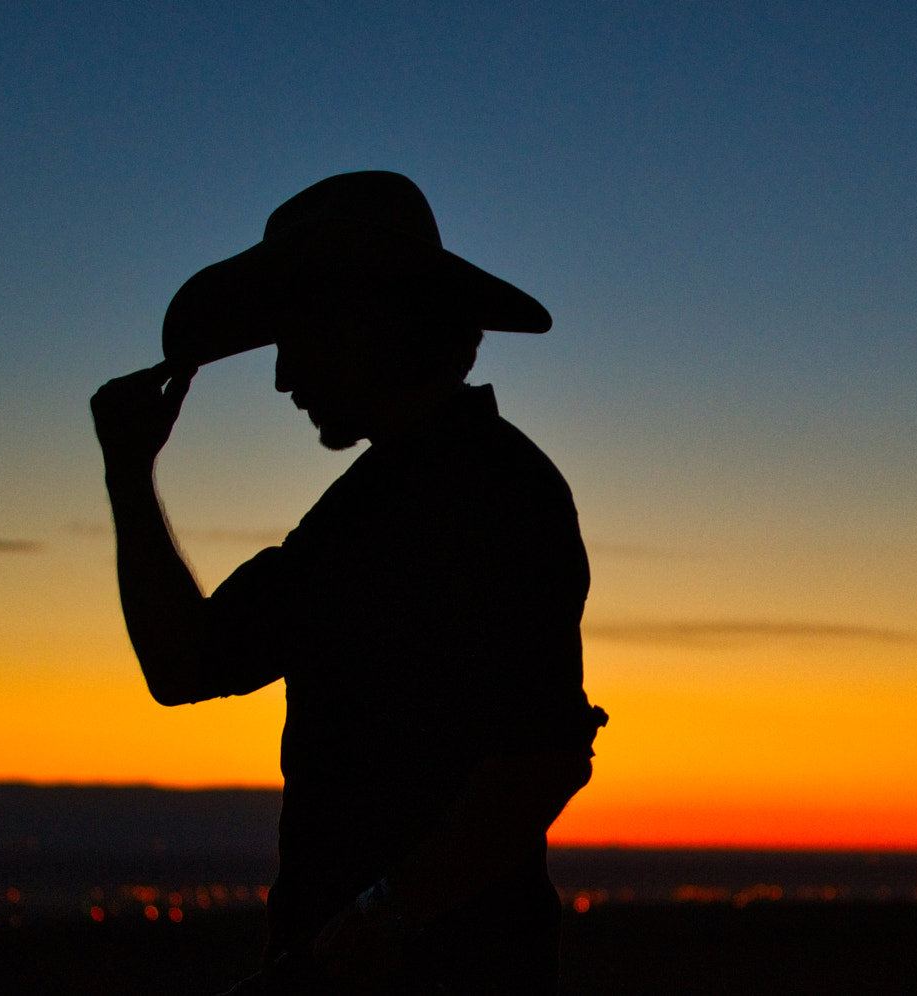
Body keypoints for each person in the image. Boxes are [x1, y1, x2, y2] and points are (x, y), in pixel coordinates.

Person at [90, 171, 606, 994]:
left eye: (298, 337)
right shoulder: (383, 507)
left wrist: (371, 930)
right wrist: (127, 472)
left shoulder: (476, 494)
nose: (283, 376)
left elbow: (534, 761)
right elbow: (186, 664)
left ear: (367, 324)